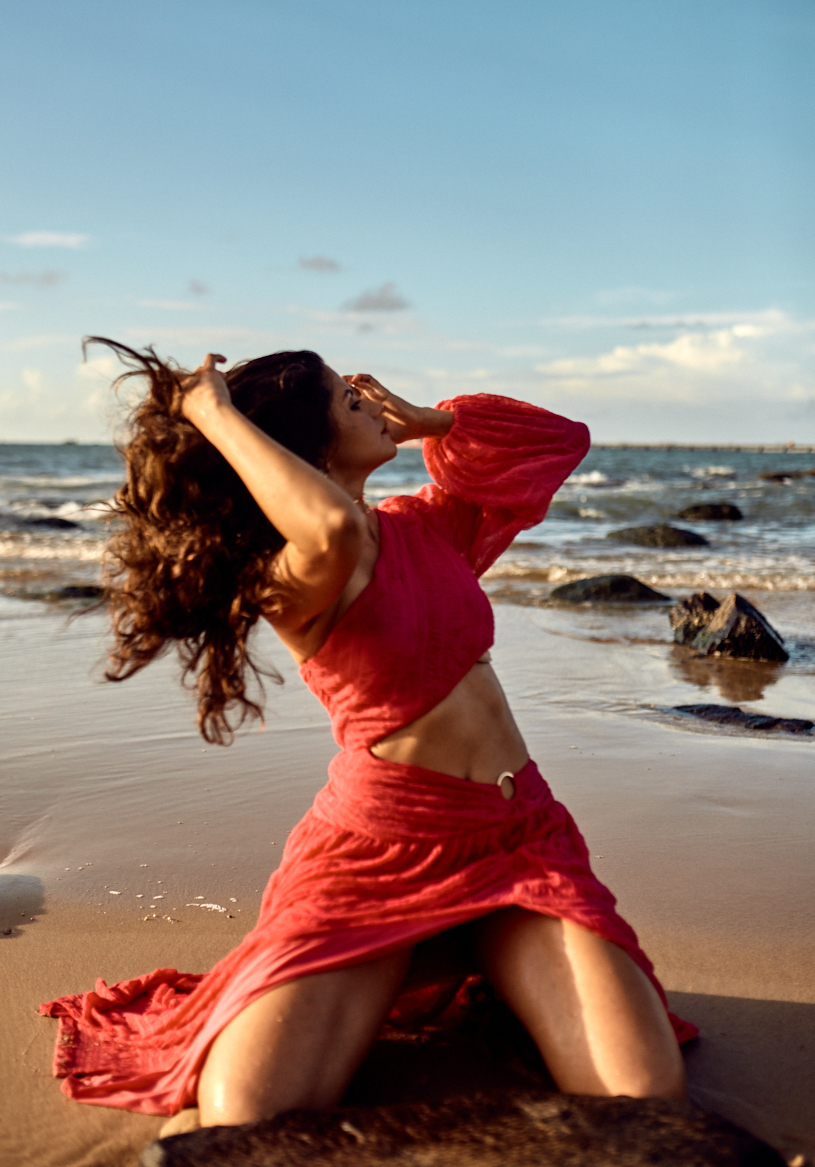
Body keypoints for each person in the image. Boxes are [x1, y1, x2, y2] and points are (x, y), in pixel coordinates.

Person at [42, 343, 696, 1127]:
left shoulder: (427, 525)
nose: (369, 399)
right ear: (305, 446)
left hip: (518, 843)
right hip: (381, 853)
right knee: (248, 1111)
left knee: (642, 1096)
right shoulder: (289, 576)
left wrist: (436, 423)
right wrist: (209, 410)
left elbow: (557, 444)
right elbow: (326, 523)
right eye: (347, 402)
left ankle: (491, 970)